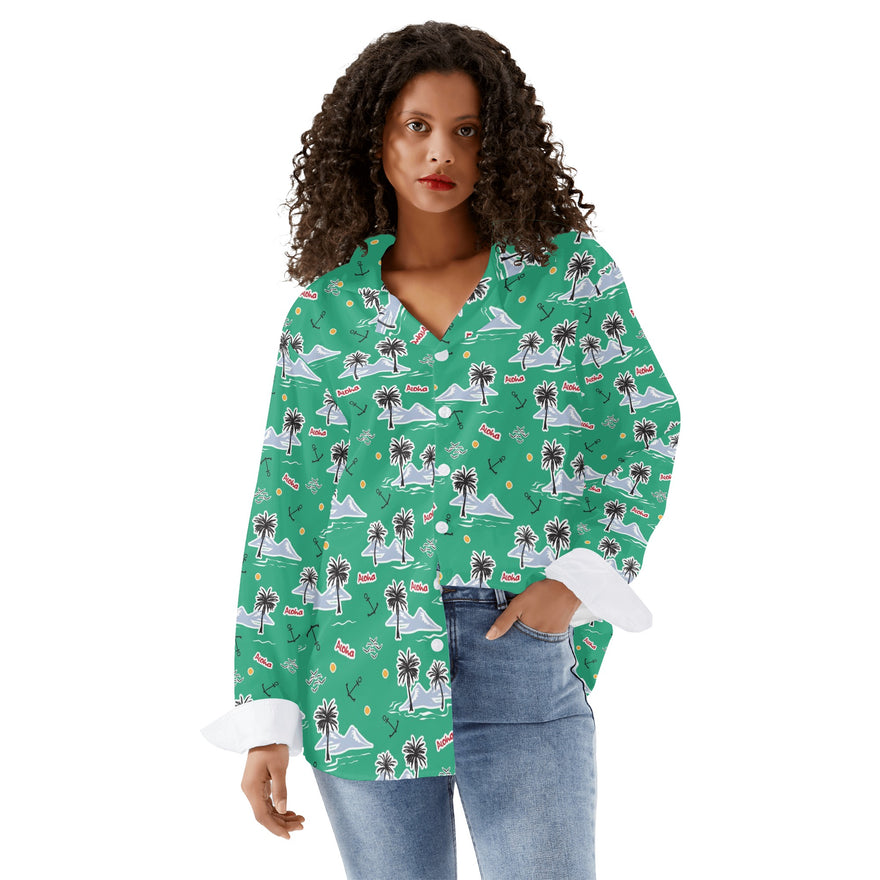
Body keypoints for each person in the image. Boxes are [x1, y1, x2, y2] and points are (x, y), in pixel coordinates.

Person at [201, 20, 681, 880]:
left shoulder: (567, 277)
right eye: (417, 126)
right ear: (374, 139)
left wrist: (578, 578)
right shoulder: (325, 312)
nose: (440, 153)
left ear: (500, 148)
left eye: (467, 130)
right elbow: (289, 508)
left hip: (515, 642)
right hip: (358, 661)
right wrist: (267, 713)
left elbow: (641, 421)